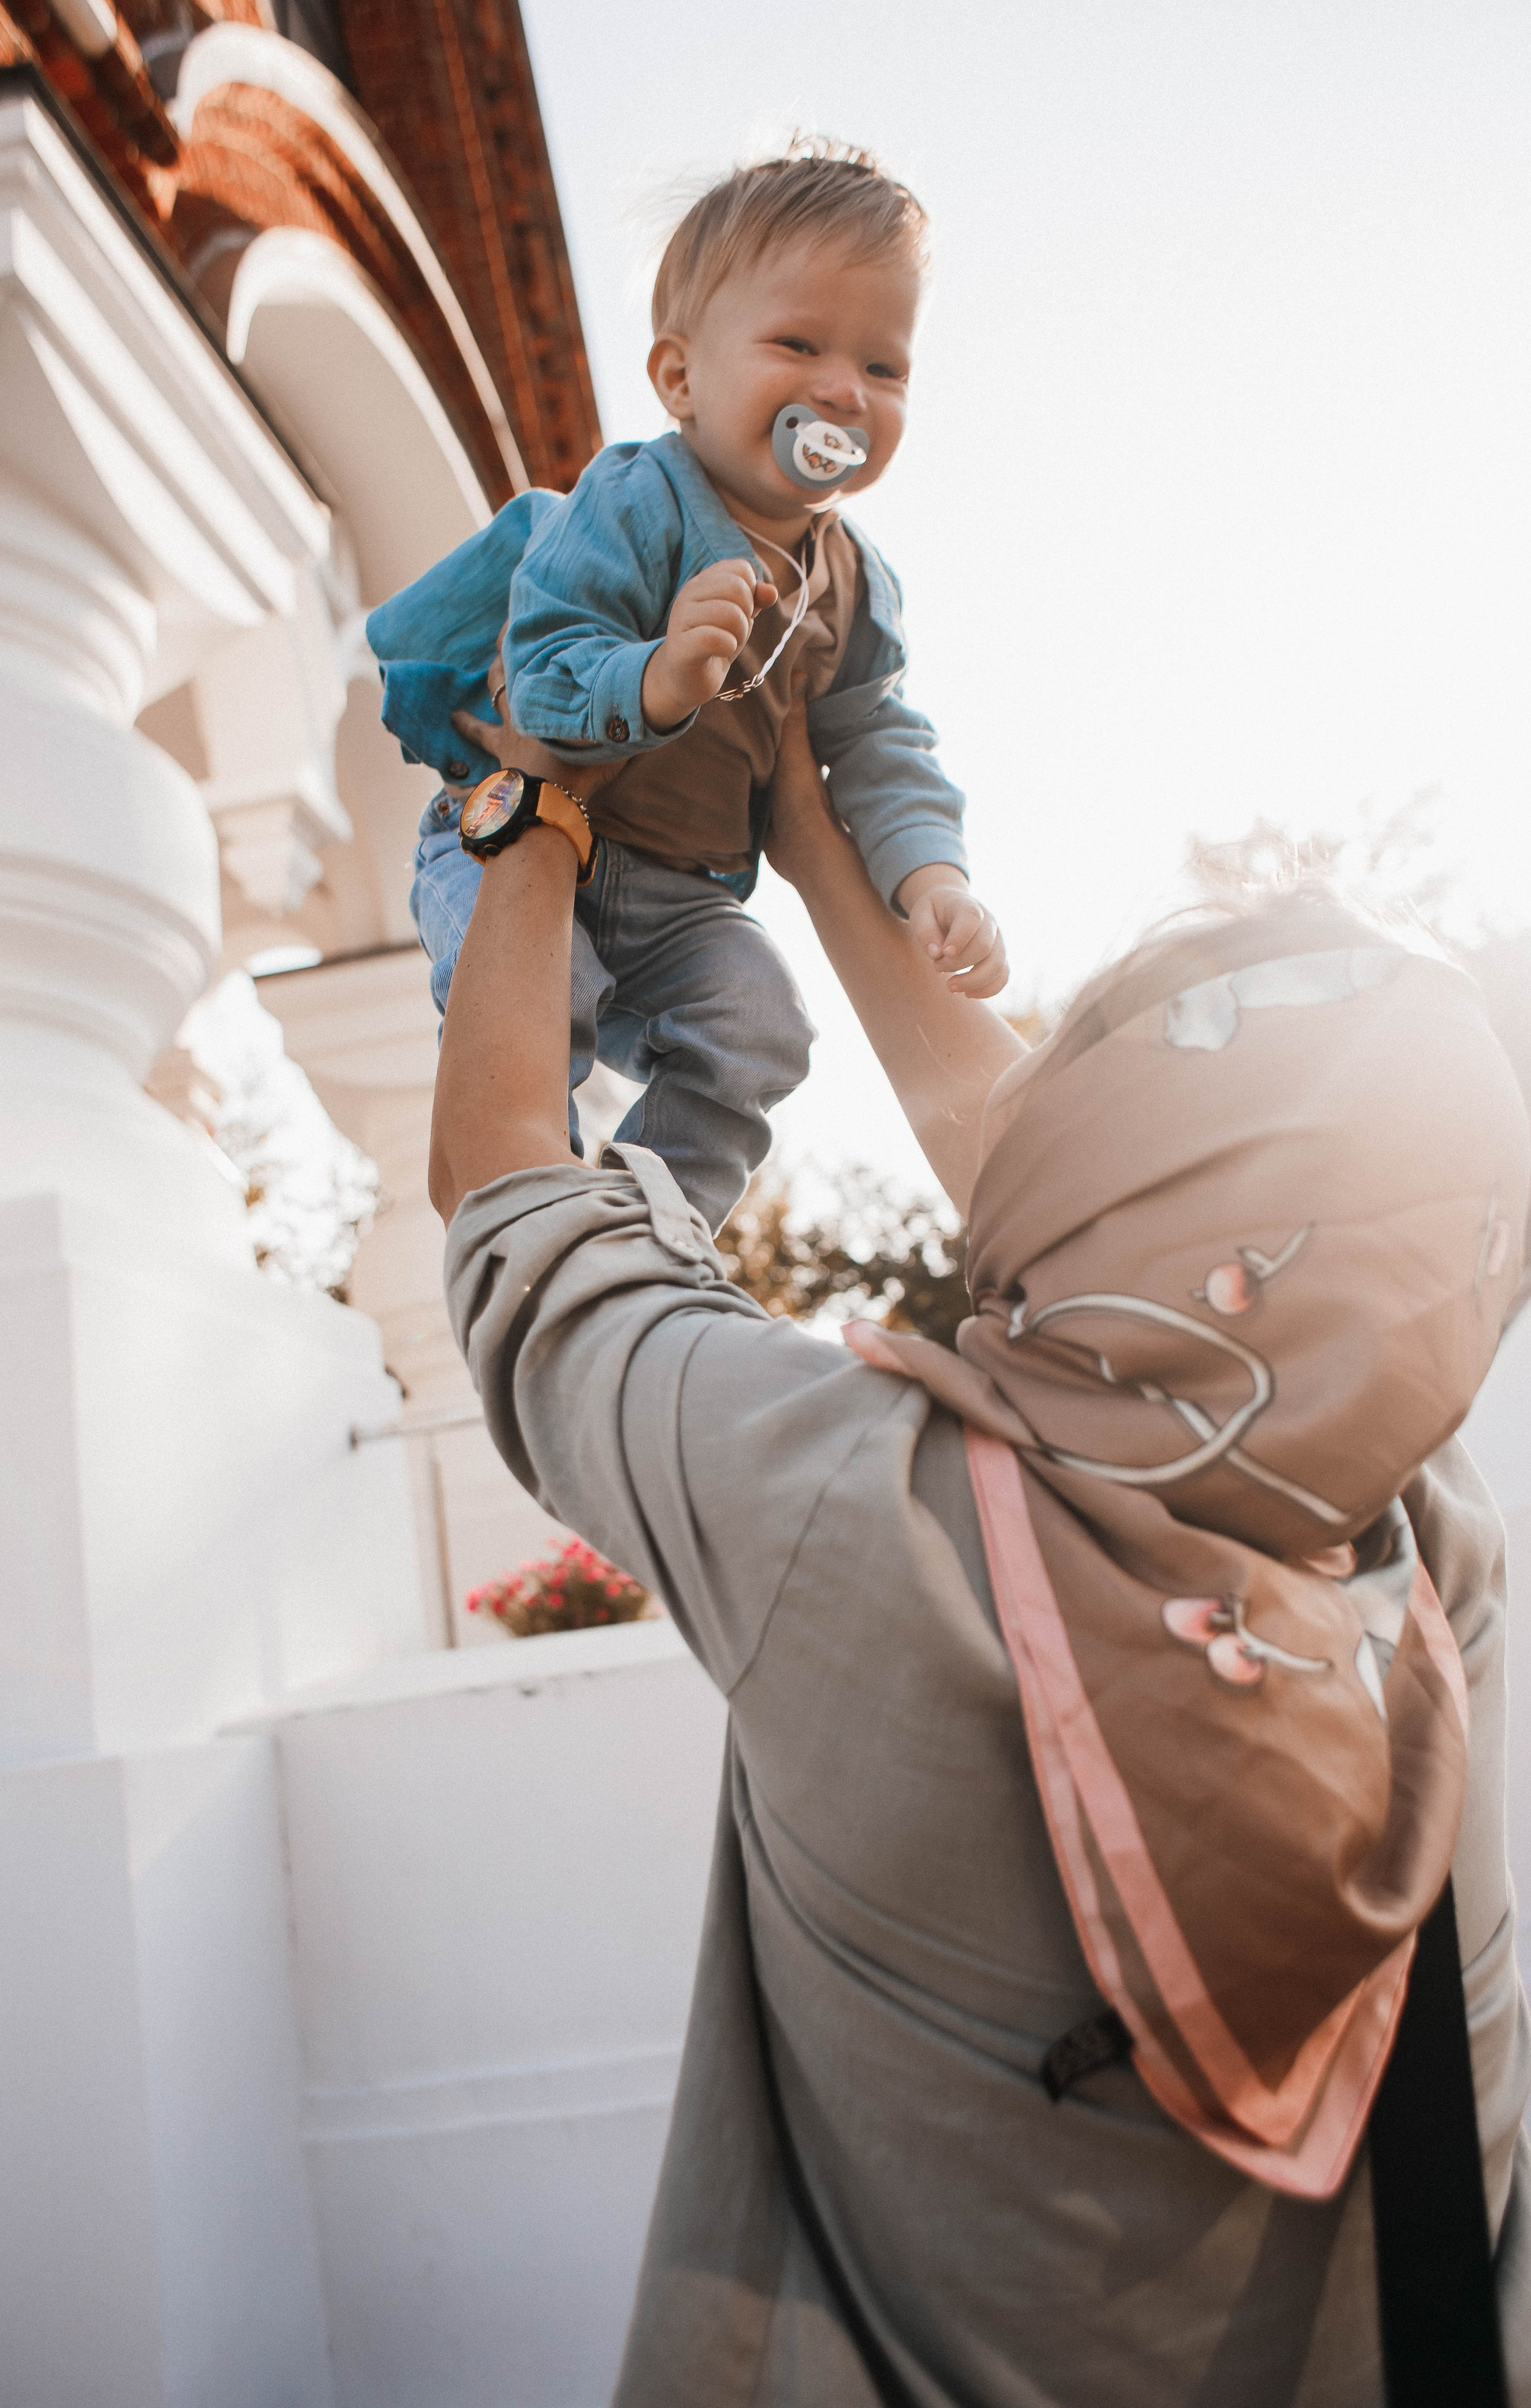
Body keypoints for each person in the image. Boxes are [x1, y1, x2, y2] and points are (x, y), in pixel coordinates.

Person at [428, 681, 1531, 2406]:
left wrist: (532, 823)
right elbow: (1205, 1235)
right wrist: (810, 815)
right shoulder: (1433, 1578)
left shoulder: (830, 1508)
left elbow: (510, 1199)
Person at [369, 143, 1005, 1235]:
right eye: (798, 344)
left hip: (679, 892)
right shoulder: (636, 499)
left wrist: (933, 878)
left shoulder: (854, 583)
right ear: (679, 379)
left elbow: (880, 743)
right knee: (541, 995)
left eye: (884, 367)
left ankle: (650, 1233)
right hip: (519, 842)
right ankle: (538, 1225)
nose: (843, 390)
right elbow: (543, 662)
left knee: (763, 1025)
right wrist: (657, 677)